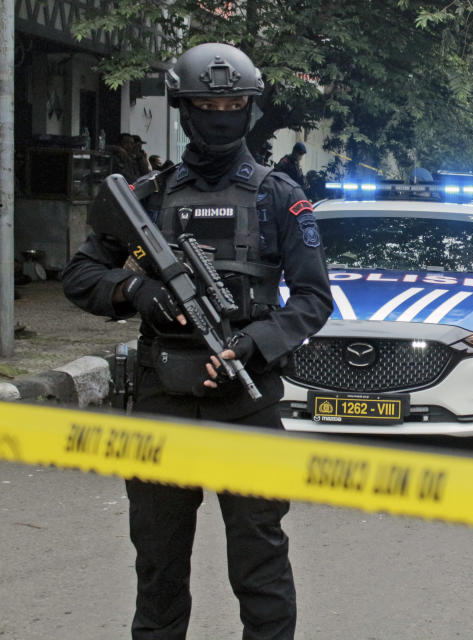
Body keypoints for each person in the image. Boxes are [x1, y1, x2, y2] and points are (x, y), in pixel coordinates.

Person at [61, 42, 333, 639]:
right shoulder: (146, 197)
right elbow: (80, 277)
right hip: (162, 402)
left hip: (247, 398)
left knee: (261, 572)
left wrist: (255, 344)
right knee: (158, 573)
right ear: (184, 110)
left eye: (232, 103)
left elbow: (314, 301)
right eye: (206, 103)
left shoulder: (279, 196)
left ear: (249, 109)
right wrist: (138, 291)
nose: (220, 113)